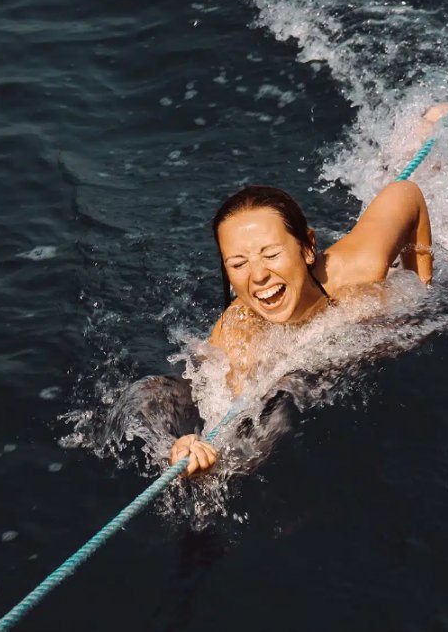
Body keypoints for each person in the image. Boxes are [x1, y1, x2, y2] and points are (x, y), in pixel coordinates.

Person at [168, 176, 433, 476]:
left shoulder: (360, 269)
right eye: (238, 264)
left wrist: (421, 292)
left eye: (270, 254)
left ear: (308, 248)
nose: (257, 276)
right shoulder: (238, 341)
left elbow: (406, 194)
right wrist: (193, 452)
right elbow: (236, 436)